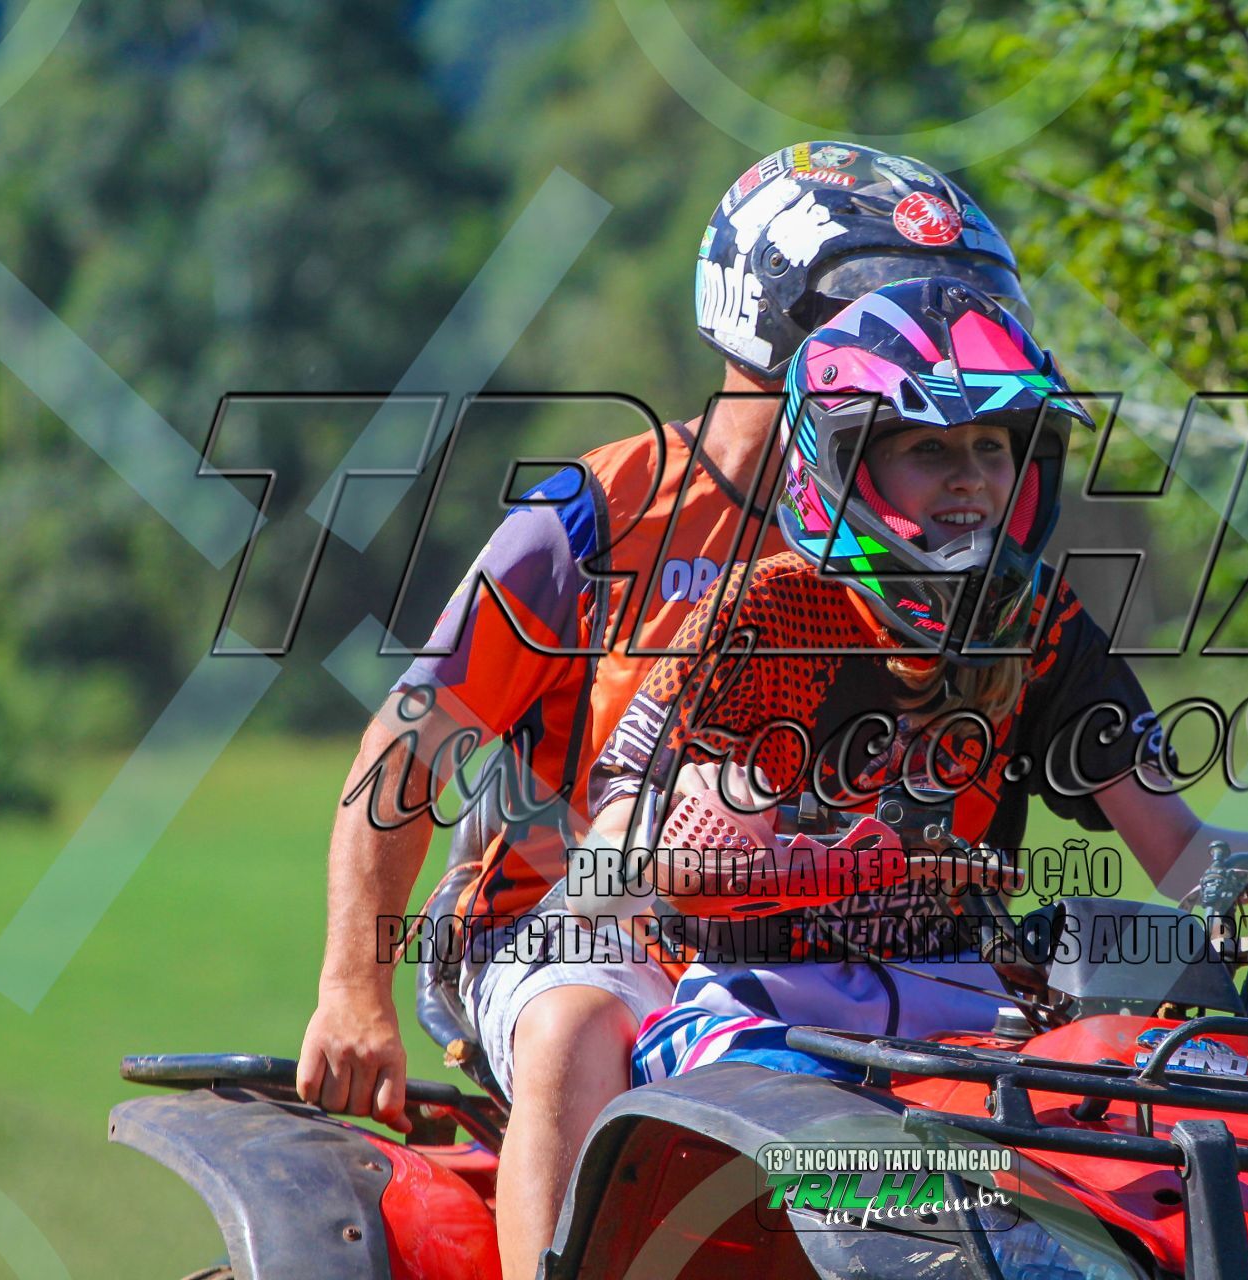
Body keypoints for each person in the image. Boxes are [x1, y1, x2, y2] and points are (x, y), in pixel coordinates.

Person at [295, 143, 1040, 1280]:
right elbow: (408, 742)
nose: (938, 350)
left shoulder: (930, 527)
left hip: (836, 934)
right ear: (772, 319)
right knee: (576, 1024)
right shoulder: (602, 512)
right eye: (893, 312)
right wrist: (354, 988)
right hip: (575, 918)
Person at [582, 278, 1248, 1083]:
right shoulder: (766, 613)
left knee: (1167, 1099)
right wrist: (702, 845)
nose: (972, 478)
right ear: (845, 465)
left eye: (993, 446)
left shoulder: (1040, 624)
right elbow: (599, 876)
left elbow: (1181, 855)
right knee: (827, 1133)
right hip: (757, 1009)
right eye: (928, 446)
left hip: (970, 1009)